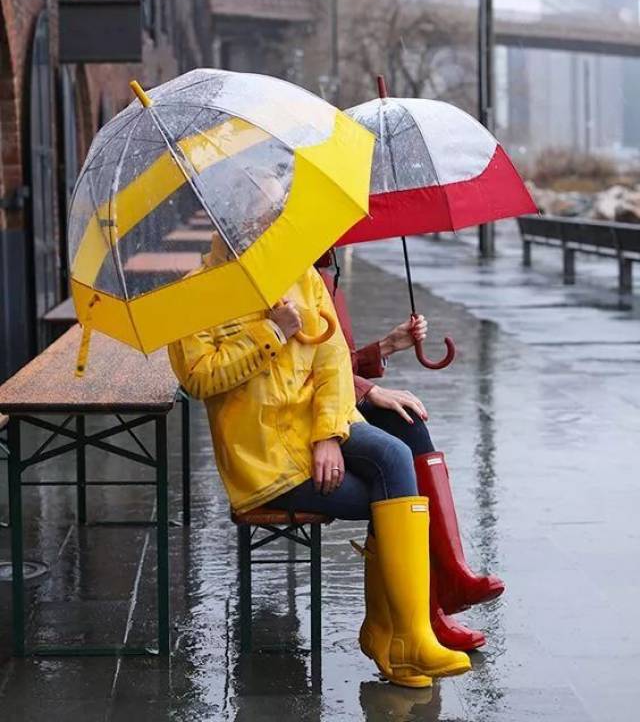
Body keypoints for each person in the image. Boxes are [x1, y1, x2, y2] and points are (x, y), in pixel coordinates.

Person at [168, 263, 471, 688]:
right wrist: (271, 333)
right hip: (266, 458)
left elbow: (331, 362)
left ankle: (408, 633)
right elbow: (198, 378)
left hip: (318, 428)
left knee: (397, 454)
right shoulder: (196, 290)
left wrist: (328, 434)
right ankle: (392, 635)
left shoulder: (300, 274)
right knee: (388, 497)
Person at [316, 254, 505, 654]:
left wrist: (386, 346)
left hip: (332, 402)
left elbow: (332, 362)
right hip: (309, 417)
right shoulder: (292, 276)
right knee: (397, 451)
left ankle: (439, 595)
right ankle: (433, 603)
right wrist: (370, 391)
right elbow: (299, 367)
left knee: (409, 423)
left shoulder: (324, 272)